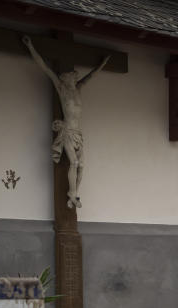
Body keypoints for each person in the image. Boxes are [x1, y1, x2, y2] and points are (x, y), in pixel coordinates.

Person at [22, 35, 109, 209]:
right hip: (68, 132)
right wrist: (31, 47)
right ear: (65, 79)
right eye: (71, 77)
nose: (74, 79)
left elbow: (91, 76)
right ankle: (72, 193)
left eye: (75, 77)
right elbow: (45, 68)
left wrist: (102, 65)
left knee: (82, 166)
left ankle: (74, 194)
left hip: (78, 133)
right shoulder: (61, 89)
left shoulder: (78, 89)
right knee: (74, 163)